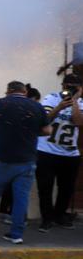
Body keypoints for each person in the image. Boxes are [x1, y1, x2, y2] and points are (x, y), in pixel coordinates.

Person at [0, 81, 50, 244]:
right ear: (24, 91)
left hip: (2, 159)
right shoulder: (36, 106)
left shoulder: (1, 103)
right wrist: (30, 133)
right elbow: (47, 130)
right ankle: (16, 234)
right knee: (21, 198)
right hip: (27, 160)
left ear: (8, 91)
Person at [35, 74, 83, 232]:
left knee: (66, 188)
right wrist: (60, 107)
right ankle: (47, 218)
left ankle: (59, 215)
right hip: (46, 150)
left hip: (69, 154)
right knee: (45, 186)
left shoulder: (81, 102)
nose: (68, 89)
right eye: (66, 86)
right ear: (62, 85)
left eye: (73, 86)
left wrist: (74, 101)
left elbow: (78, 122)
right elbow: (44, 119)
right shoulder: (51, 98)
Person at [0, 84, 41, 223]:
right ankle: (17, 217)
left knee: (10, 186)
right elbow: (45, 129)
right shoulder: (31, 110)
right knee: (21, 190)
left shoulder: (9, 107)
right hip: (24, 155)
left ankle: (5, 212)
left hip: (9, 153)